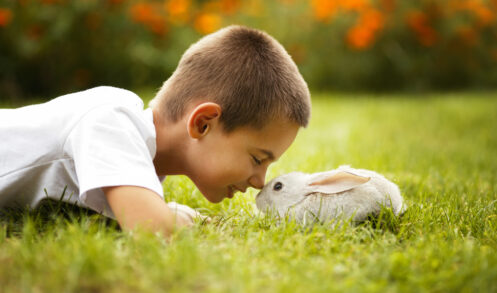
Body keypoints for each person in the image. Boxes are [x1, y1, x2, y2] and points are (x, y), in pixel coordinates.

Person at [0, 25, 311, 236]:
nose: (260, 182)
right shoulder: (111, 118)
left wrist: (165, 208)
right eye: (258, 159)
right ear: (203, 123)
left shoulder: (139, 162)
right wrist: (170, 216)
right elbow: (151, 230)